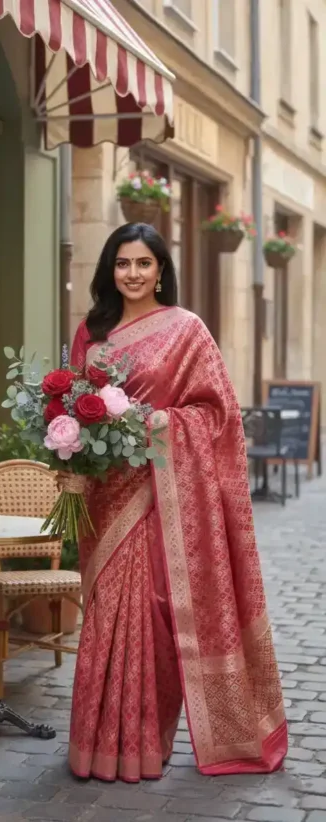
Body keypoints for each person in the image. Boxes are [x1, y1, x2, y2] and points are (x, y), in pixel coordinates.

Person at [67, 222, 287, 783]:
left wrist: (157, 423)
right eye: (122, 263)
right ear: (109, 270)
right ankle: (97, 743)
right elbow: (68, 403)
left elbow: (220, 416)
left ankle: (146, 740)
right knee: (105, 620)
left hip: (158, 492)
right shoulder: (90, 332)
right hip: (103, 495)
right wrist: (67, 451)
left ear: (161, 269)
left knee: (159, 619)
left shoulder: (187, 330)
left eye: (143, 263)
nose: (133, 274)